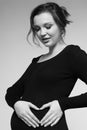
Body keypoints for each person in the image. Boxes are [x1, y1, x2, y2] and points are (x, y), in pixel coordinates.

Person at [5, 2, 87, 130]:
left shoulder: (72, 55)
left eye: (48, 26)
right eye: (37, 29)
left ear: (60, 24)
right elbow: (11, 93)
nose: (42, 33)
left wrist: (62, 104)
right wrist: (17, 104)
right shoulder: (37, 61)